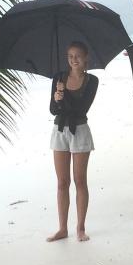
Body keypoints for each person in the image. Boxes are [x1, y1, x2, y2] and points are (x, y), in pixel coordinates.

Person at [47, 41, 99, 242]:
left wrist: (64, 98)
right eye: (70, 56)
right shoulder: (58, 78)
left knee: (80, 180)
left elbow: (81, 108)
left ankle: (80, 228)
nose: (73, 60)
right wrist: (57, 97)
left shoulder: (92, 80)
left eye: (77, 56)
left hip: (80, 130)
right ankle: (62, 228)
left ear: (85, 57)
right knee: (62, 182)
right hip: (59, 130)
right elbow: (53, 110)